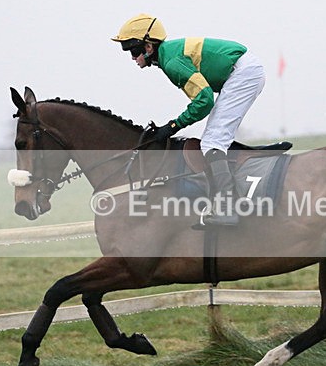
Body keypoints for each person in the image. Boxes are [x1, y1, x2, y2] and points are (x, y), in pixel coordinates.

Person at [112, 13, 266, 228]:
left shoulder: (172, 61)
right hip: (241, 71)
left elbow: (204, 101)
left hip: (243, 73)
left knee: (212, 142)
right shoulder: (168, 55)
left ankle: (228, 209)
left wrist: (173, 126)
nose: (131, 57)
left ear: (148, 47)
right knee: (213, 139)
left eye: (133, 50)